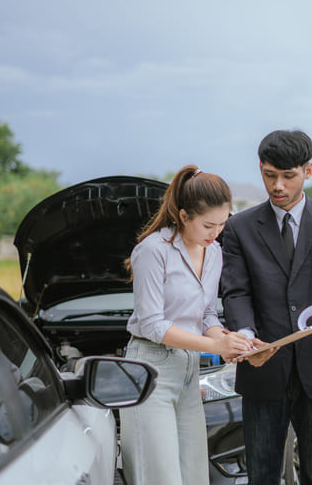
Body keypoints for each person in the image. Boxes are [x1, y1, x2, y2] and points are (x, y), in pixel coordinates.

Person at [221, 130, 312, 485]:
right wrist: (245, 337)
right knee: (262, 477)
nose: (278, 185)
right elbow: (235, 292)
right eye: (270, 175)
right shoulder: (239, 227)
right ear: (260, 169)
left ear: (309, 171)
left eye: (288, 176)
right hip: (263, 369)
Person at [119, 164, 254, 485]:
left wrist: (228, 340)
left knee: (195, 476)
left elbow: (206, 313)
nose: (216, 232)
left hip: (189, 371)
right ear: (183, 215)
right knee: (160, 478)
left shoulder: (215, 252)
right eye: (209, 225)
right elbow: (152, 324)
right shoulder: (153, 251)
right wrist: (214, 346)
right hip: (149, 370)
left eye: (222, 224)